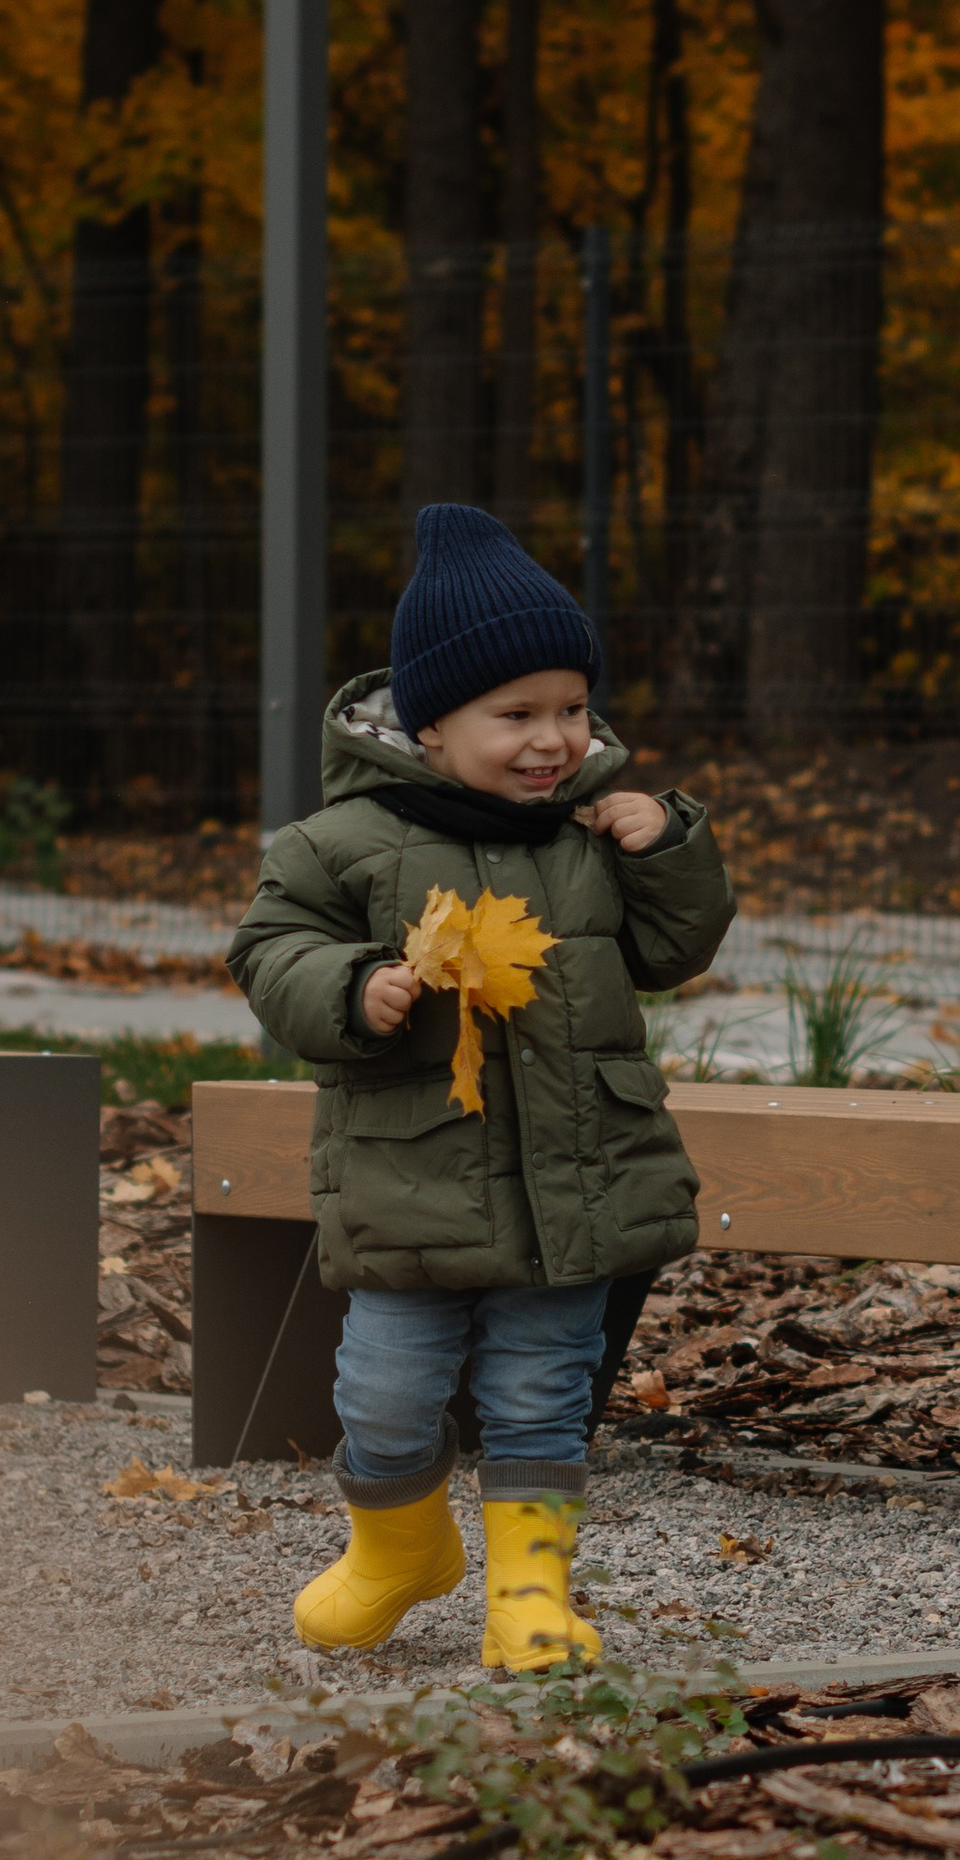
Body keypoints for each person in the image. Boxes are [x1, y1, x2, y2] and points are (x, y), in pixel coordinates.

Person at [228, 504, 735, 1673]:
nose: (552, 738)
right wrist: (354, 988)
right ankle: (401, 1549)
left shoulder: (593, 834)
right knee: (389, 1390)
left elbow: (677, 950)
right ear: (429, 722)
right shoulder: (338, 842)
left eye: (569, 708)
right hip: (415, 1172)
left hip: (576, 1177)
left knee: (541, 1393)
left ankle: (531, 1595)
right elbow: (268, 948)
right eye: (516, 716)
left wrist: (666, 848)